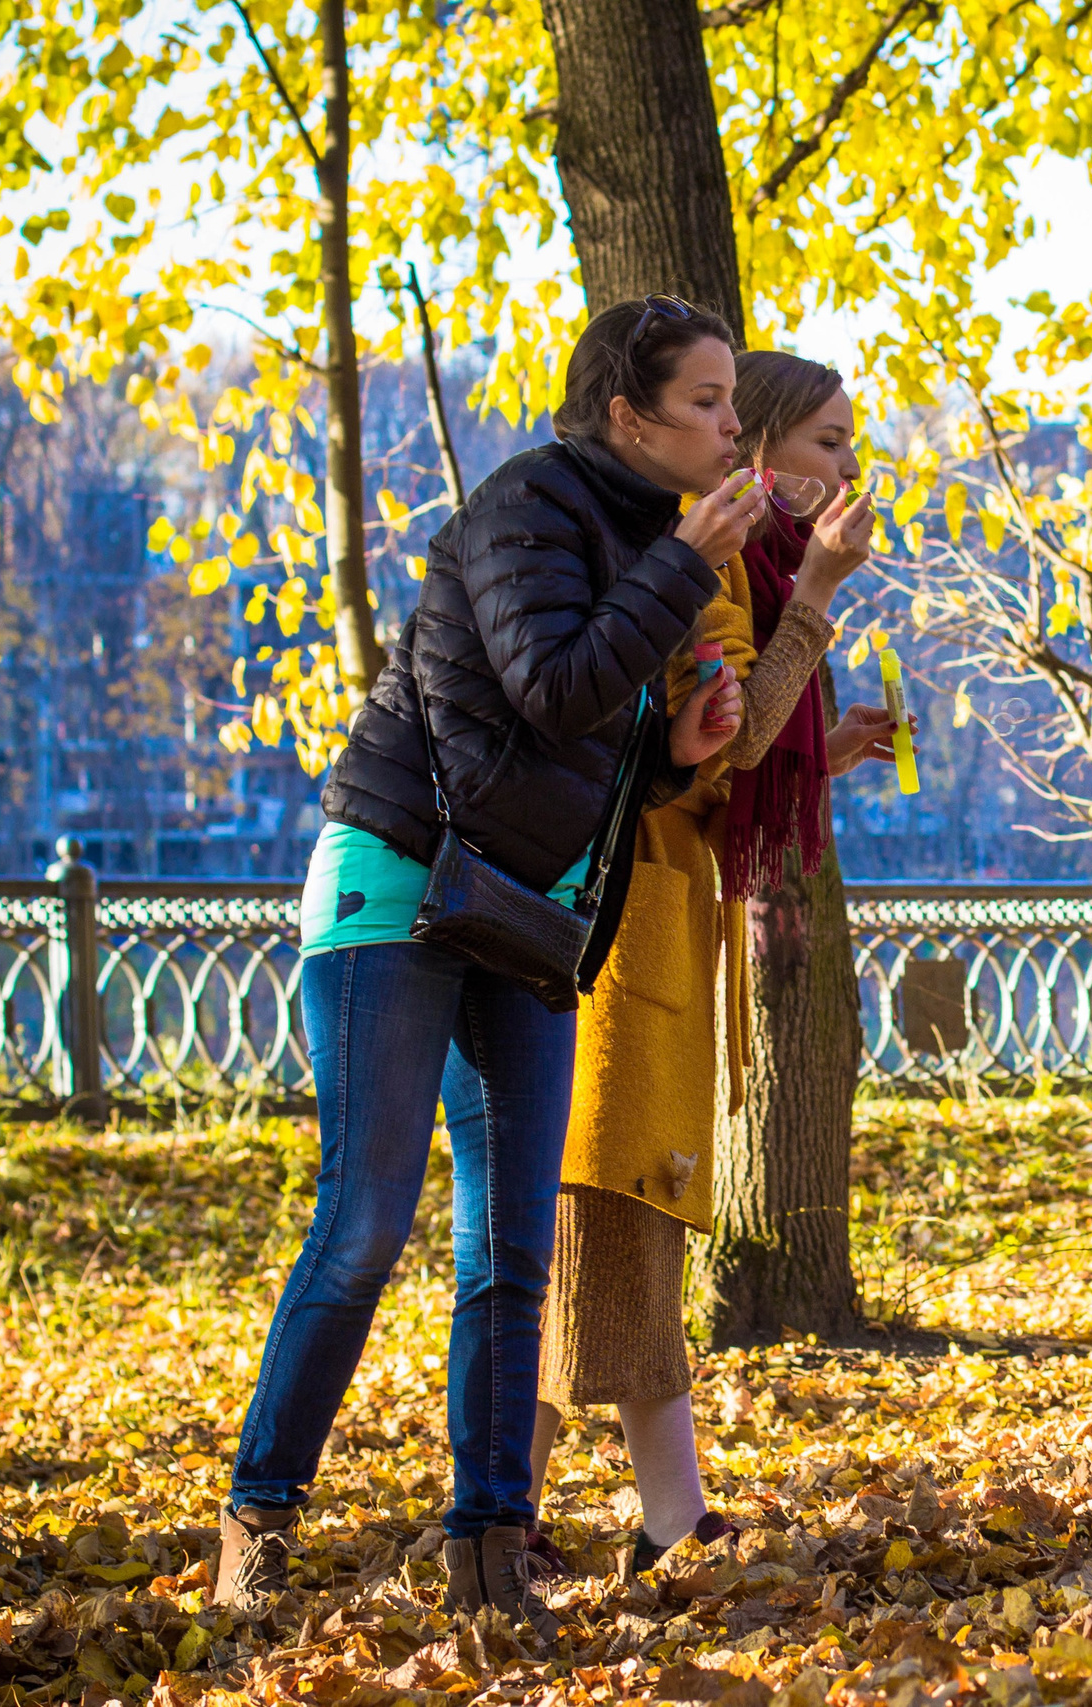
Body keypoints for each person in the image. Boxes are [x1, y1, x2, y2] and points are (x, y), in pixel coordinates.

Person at [214, 295, 758, 1642]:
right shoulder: (532, 506)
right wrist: (683, 570)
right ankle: (256, 1522)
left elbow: (579, 757)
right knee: (364, 1220)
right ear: (628, 415)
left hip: (525, 916)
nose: (731, 425)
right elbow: (552, 683)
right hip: (402, 885)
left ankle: (490, 1545)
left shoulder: (645, 542)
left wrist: (678, 747)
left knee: (512, 1247)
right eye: (706, 400)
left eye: (732, 402)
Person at [527, 348, 897, 1576]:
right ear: (766, 454)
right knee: (614, 1194)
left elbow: (721, 751)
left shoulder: (737, 558)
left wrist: (824, 749)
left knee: (612, 1206)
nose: (847, 467)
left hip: (653, 908)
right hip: (632, 924)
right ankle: (569, 1518)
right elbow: (720, 753)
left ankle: (581, 1516)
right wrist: (820, 600)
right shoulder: (726, 562)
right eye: (828, 443)